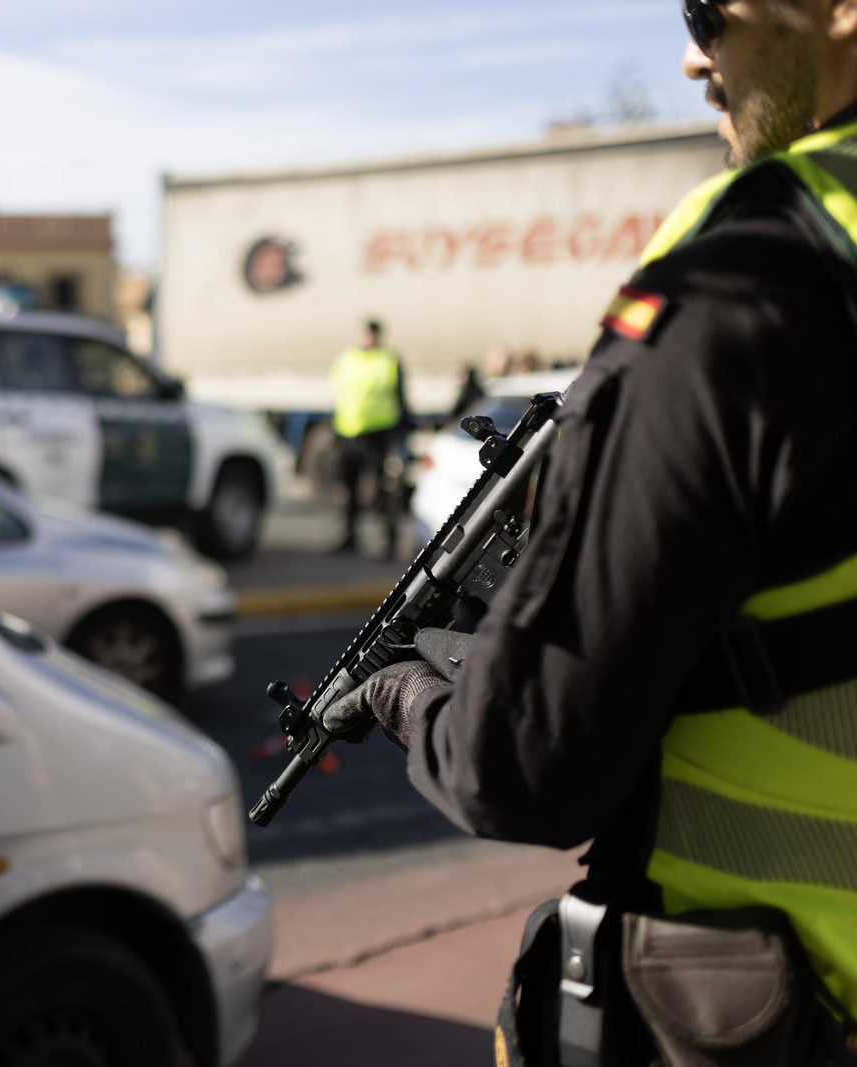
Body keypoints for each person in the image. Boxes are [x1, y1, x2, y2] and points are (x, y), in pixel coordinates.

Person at [321, 2, 857, 1063]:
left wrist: (397, 686)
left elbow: (524, 765)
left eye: (713, 8)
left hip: (755, 1009)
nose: (692, 52)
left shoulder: (747, 270)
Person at [329, 319, 410, 558]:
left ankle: (390, 542)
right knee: (348, 489)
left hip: (378, 434)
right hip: (348, 432)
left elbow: (401, 397)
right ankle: (350, 537)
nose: (369, 339)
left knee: (381, 489)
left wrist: (401, 432)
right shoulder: (347, 358)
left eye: (372, 335)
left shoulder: (388, 359)